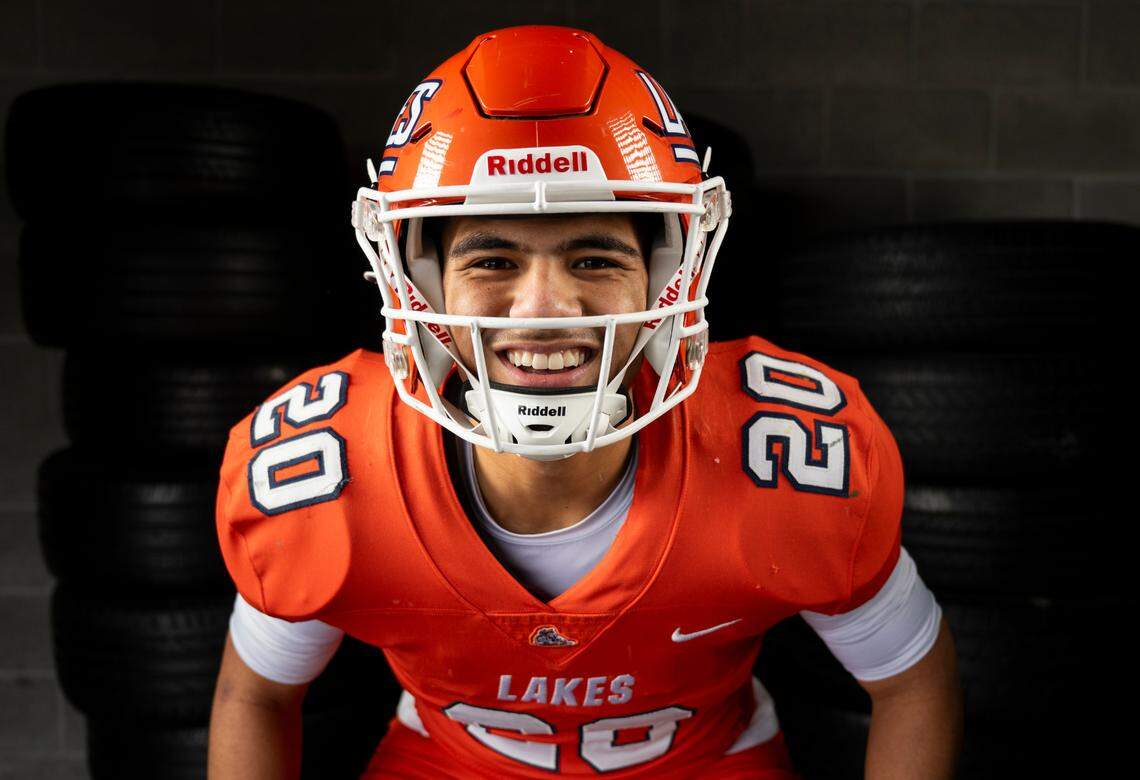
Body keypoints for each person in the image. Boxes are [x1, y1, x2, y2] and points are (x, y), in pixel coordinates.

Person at [207, 25, 963, 779]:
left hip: (703, 760)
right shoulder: (335, 476)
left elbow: (911, 683)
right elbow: (255, 695)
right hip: (452, 760)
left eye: (595, 258)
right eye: (493, 259)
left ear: (666, 277)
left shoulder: (780, 457)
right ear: (421, 286)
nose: (543, 309)